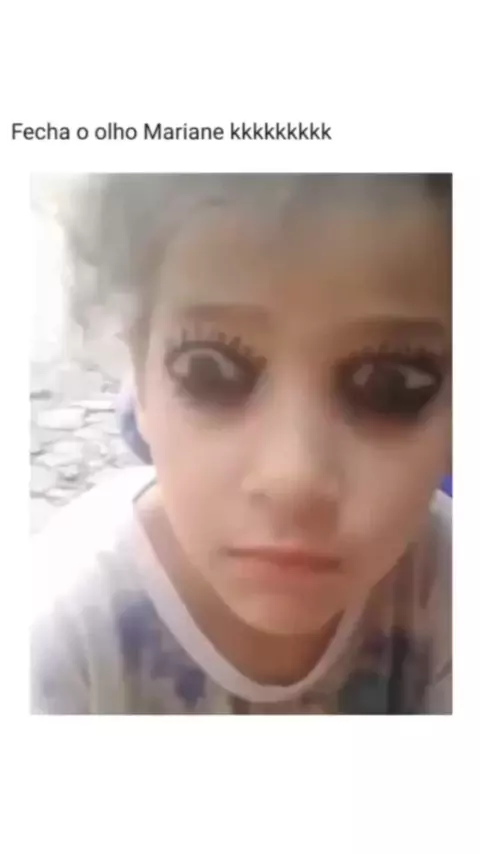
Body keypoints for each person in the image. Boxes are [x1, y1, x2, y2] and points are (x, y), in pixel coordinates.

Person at [31, 174, 452, 714]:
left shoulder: (447, 587)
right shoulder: (57, 637)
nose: (293, 478)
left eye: (391, 384)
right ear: (140, 376)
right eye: (209, 371)